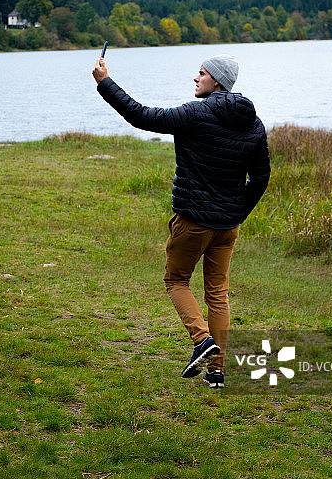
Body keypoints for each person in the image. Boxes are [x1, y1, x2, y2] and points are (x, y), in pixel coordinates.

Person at [92, 53, 270, 388]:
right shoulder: (254, 124)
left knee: (176, 281)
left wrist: (104, 82)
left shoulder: (196, 113)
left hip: (192, 221)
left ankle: (202, 341)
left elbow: (140, 116)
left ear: (216, 81)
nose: (195, 78)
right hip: (227, 226)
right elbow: (260, 179)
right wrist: (236, 213)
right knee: (217, 293)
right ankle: (216, 371)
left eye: (201, 74)